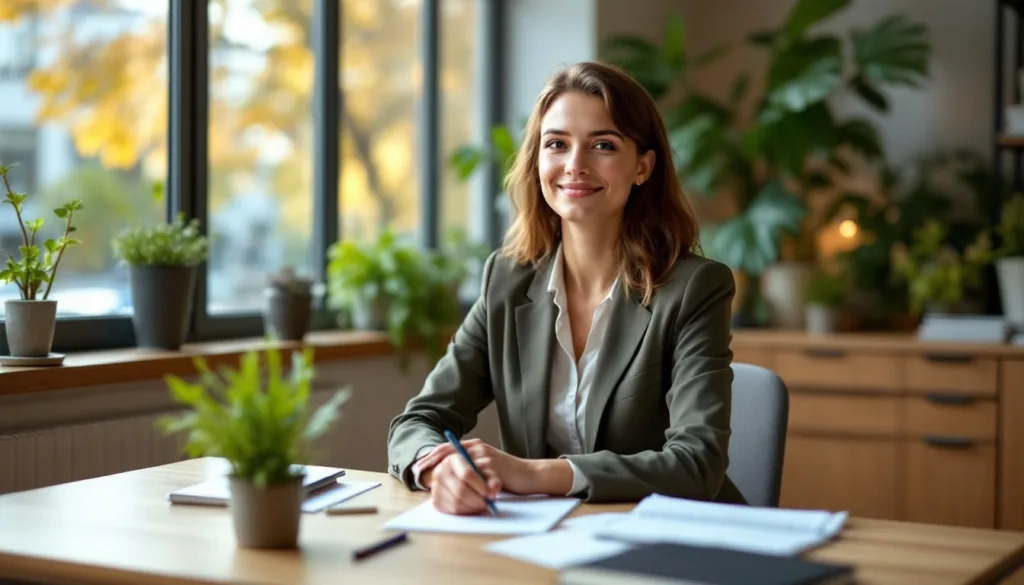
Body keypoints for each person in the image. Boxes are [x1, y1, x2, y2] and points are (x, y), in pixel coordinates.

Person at [386, 60, 744, 515]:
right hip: (547, 538)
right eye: (556, 144)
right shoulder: (507, 280)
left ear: (643, 166)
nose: (575, 165)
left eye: (603, 145)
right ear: (538, 159)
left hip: (675, 540)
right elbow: (418, 420)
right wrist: (439, 469)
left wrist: (534, 474)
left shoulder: (694, 289)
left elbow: (697, 463)